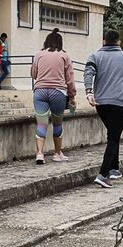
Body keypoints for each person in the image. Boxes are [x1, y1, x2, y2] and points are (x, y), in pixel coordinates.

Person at [85, 29, 123, 188]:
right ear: (119, 42)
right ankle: (103, 174)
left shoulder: (95, 56)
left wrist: (89, 92)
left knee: (112, 134)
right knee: (114, 138)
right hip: (118, 103)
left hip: (101, 104)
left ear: (104, 41)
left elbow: (88, 72)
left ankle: (114, 169)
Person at [30, 29, 75, 165]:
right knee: (57, 123)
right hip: (58, 92)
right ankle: (57, 153)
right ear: (60, 42)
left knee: (42, 123)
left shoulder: (38, 54)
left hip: (40, 92)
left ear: (46, 42)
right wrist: (72, 96)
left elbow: (33, 74)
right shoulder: (64, 56)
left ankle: (39, 154)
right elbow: (70, 79)